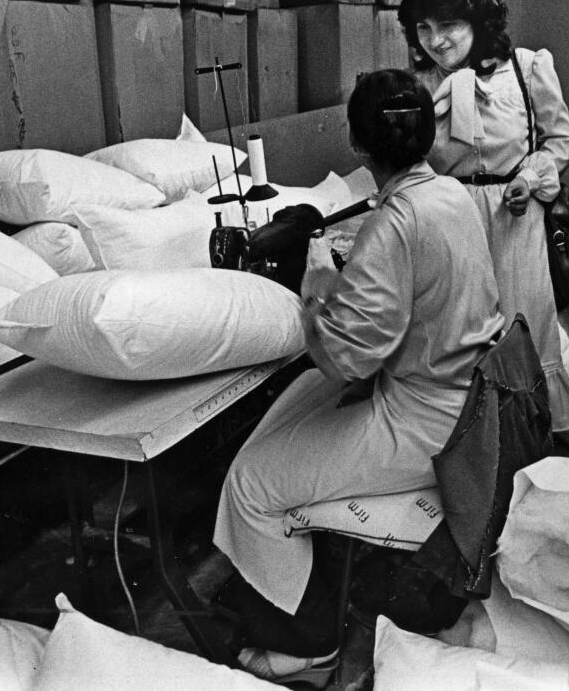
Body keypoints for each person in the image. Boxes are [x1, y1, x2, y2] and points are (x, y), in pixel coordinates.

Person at [213, 69, 504, 685]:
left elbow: (350, 358)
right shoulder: (452, 195)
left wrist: (316, 289)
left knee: (250, 482)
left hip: (424, 423)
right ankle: (303, 595)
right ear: (427, 137)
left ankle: (304, 647)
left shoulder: (393, 224)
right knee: (294, 417)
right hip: (467, 400)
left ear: (358, 146)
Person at [397, 0, 569, 442]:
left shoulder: (526, 70)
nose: (435, 41)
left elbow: (561, 141)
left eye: (449, 25)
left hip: (514, 222)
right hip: (449, 226)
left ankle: (530, 444)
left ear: (478, 20)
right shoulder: (415, 89)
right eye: (422, 28)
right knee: (454, 340)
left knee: (522, 335)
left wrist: (531, 175)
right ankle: (469, 454)